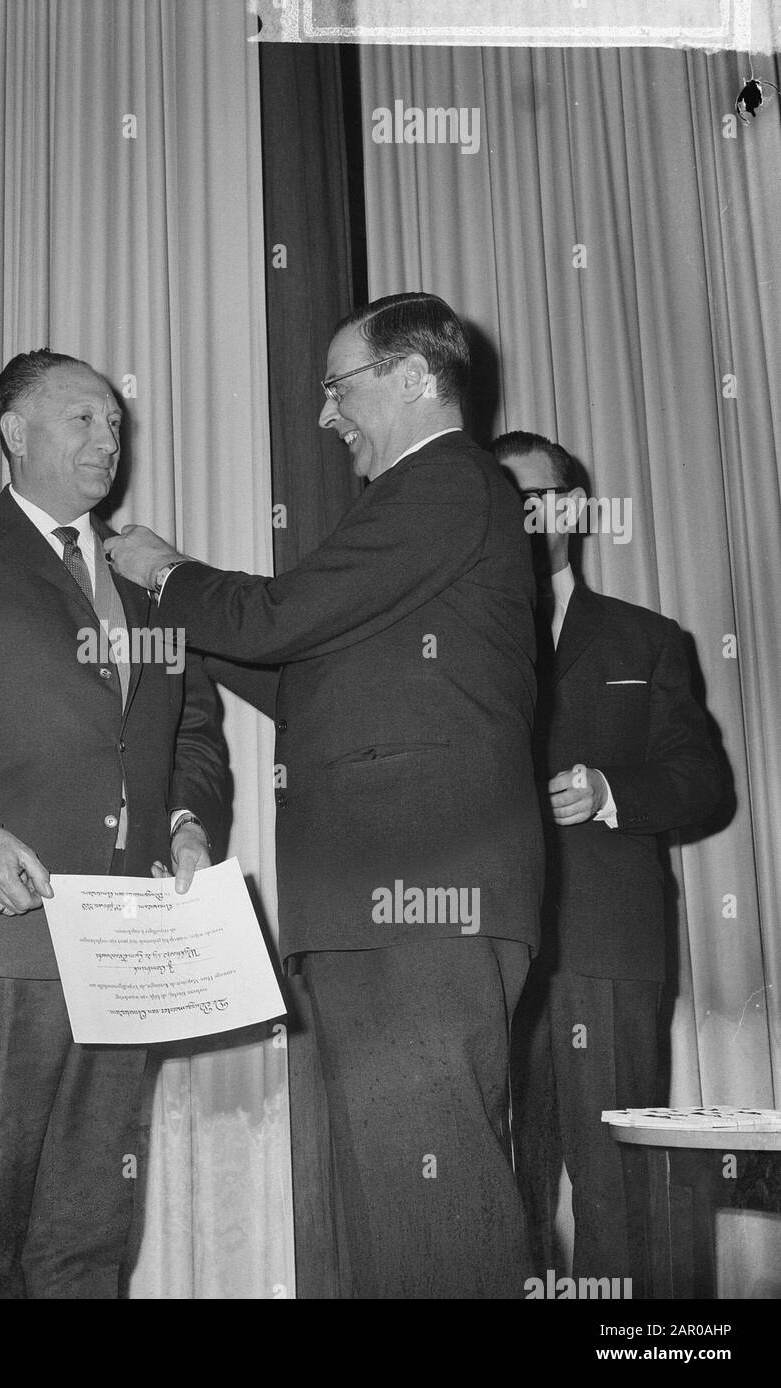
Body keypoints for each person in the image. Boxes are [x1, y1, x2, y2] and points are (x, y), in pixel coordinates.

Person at [105, 292, 543, 1297]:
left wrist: (168, 572)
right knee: (400, 1210)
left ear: (414, 379)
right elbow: (302, 672)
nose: (326, 413)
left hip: (420, 903)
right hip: (386, 907)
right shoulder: (431, 510)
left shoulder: (440, 485)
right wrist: (188, 627)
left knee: (436, 1215)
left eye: (339, 386)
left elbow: (275, 617)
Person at [0, 348, 229, 1299]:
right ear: (13, 433)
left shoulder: (148, 577)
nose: (108, 439)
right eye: (83, 419)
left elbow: (190, 730)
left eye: (115, 423)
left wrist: (188, 824)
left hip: (127, 941)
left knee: (91, 1231)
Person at [492, 430, 724, 1287]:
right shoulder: (453, 645)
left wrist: (607, 789)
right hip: (486, 949)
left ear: (573, 509)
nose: (518, 517)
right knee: (494, 1195)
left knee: (617, 1192)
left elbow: (702, 782)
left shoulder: (645, 639)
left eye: (534, 498)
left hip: (607, 949)